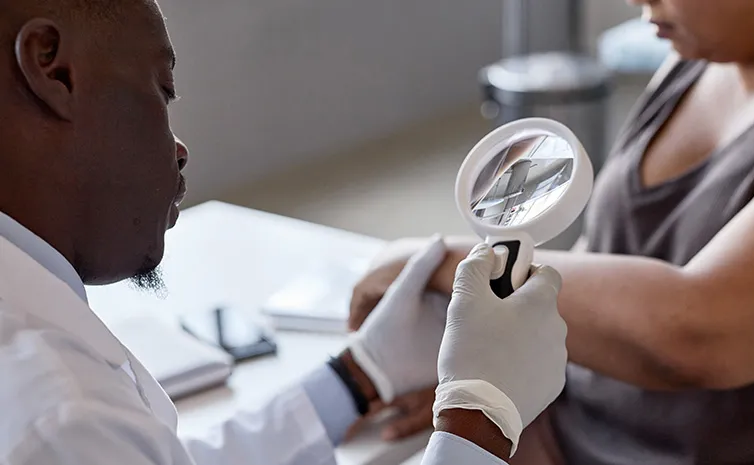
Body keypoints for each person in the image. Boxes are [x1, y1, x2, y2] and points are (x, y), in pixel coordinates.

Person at [350, 0, 754, 463]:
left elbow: (704, 331)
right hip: (580, 436)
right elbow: (612, 260)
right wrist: (502, 383)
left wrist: (448, 261)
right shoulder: (699, 57)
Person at [0, 1, 569, 464]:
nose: (179, 149)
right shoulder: (59, 414)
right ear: (52, 67)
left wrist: (359, 375)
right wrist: (479, 423)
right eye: (161, 91)